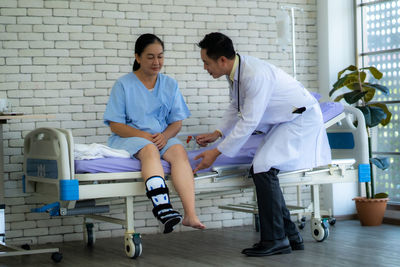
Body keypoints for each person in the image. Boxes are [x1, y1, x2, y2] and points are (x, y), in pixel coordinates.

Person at [194, 32, 331, 256]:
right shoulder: (236, 72)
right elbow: (235, 107)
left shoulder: (254, 75)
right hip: (285, 120)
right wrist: (218, 132)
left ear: (222, 60)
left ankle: (276, 239)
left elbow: (249, 121)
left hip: (300, 118)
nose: (205, 68)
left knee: (263, 167)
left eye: (206, 63)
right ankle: (291, 236)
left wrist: (216, 153)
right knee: (261, 168)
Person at [103, 33, 205, 234]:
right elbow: (116, 125)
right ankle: (162, 207)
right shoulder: (123, 85)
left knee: (178, 151)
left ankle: (190, 215)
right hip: (129, 138)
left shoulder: (169, 84)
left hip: (160, 137)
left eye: (160, 56)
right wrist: (144, 137)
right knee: (149, 149)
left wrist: (165, 136)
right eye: (150, 57)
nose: (156, 62)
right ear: (138, 57)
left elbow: (177, 122)